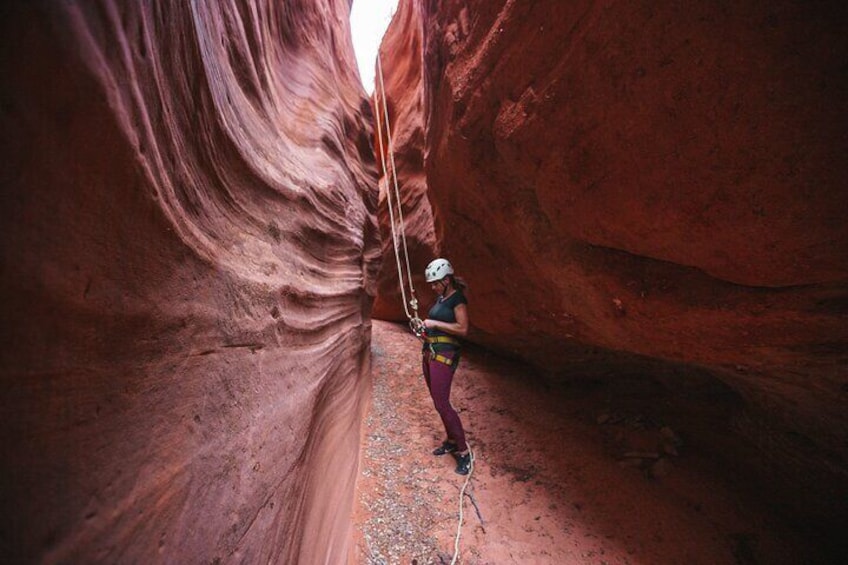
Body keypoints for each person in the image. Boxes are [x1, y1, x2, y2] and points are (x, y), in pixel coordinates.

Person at [421, 258, 472, 475]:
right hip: (430, 352)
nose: (433, 287)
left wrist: (434, 324)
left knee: (443, 403)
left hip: (444, 355)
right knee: (437, 401)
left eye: (436, 282)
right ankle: (451, 440)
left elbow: (462, 329)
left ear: (447, 280)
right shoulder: (442, 298)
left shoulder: (457, 300)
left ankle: (463, 451)